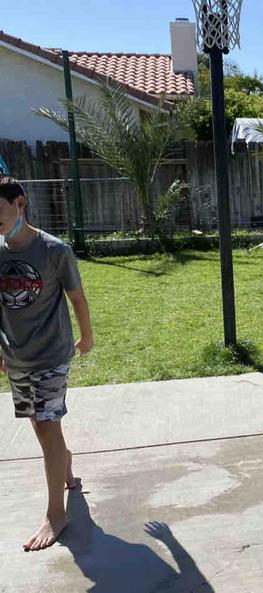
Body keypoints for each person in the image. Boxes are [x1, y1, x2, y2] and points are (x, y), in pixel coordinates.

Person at [0, 177, 94, 551]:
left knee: (47, 426)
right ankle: (66, 466)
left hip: (52, 354)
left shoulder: (55, 250)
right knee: (42, 428)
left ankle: (56, 512)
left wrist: (86, 337)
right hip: (16, 355)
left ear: (20, 203)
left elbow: (78, 298)